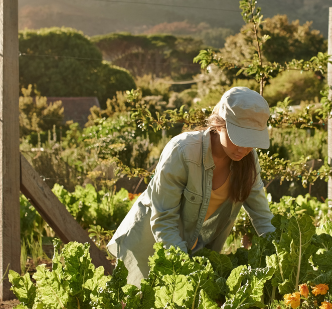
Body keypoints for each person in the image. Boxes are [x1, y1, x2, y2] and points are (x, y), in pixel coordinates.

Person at [107, 87, 276, 286]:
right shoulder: (182, 151)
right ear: (219, 125)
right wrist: (186, 270)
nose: (244, 148)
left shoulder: (248, 160)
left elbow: (263, 218)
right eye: (238, 137)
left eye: (251, 141)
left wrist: (282, 257)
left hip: (189, 251)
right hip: (147, 248)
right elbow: (163, 220)